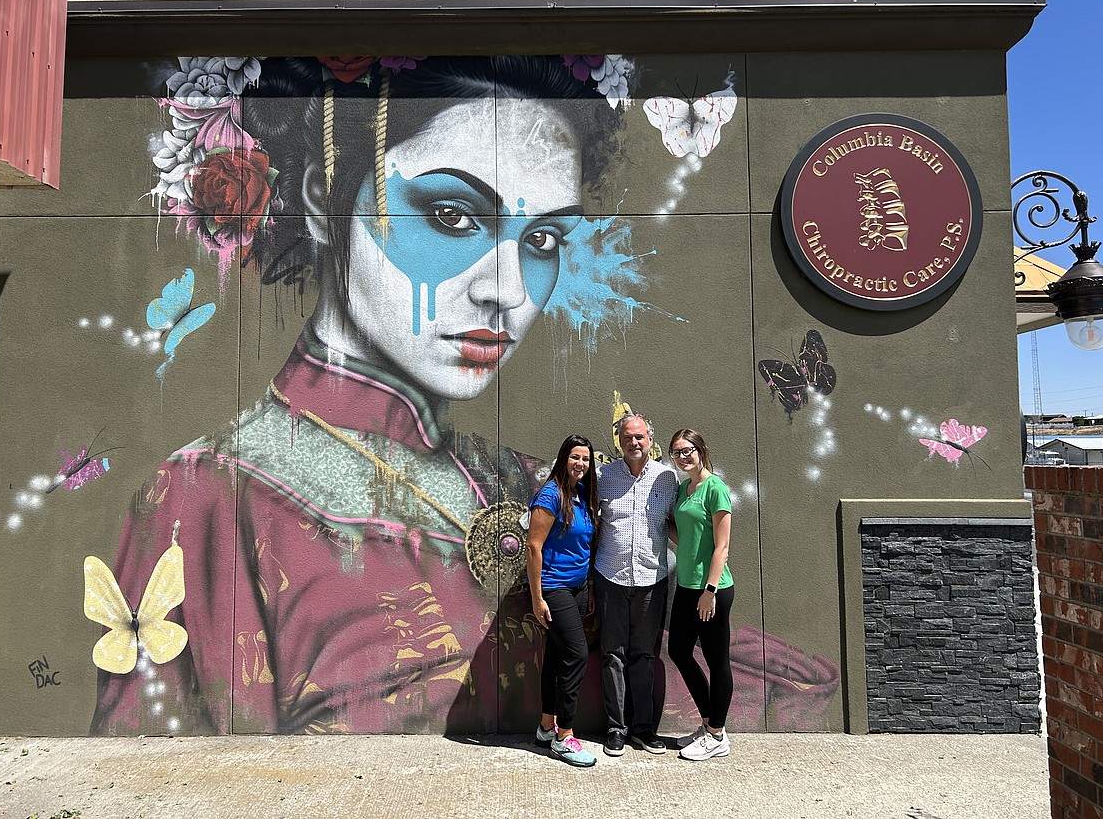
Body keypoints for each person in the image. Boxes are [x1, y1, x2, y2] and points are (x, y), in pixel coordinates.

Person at [90, 56, 625, 735]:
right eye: (454, 215)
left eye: (543, 238)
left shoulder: (523, 477)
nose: (509, 290)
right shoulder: (206, 496)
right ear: (323, 198)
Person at [593, 413, 678, 756]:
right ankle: (616, 728)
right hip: (609, 577)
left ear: (650, 439)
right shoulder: (603, 476)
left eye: (640, 437)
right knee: (612, 654)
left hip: (652, 579)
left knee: (644, 655)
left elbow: (679, 523)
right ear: (619, 440)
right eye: (627, 437)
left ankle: (643, 728)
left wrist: (708, 550)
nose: (634, 443)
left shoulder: (667, 478)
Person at [526, 435, 599, 767]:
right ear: (562, 458)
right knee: (577, 654)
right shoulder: (551, 495)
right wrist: (537, 597)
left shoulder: (581, 494)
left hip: (578, 589)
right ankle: (564, 736)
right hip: (554, 589)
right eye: (575, 457)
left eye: (585, 459)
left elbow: (584, 546)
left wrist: (591, 589)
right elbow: (533, 547)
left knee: (556, 657)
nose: (580, 464)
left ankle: (545, 726)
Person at [667, 429, 734, 760]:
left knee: (717, 660)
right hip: (686, 586)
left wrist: (710, 589)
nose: (682, 457)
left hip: (713, 589)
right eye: (676, 452)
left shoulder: (715, 488)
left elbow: (722, 547)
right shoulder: (684, 489)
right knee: (678, 651)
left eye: (687, 450)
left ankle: (717, 734)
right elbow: (686, 535)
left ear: (701, 449)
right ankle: (709, 723)